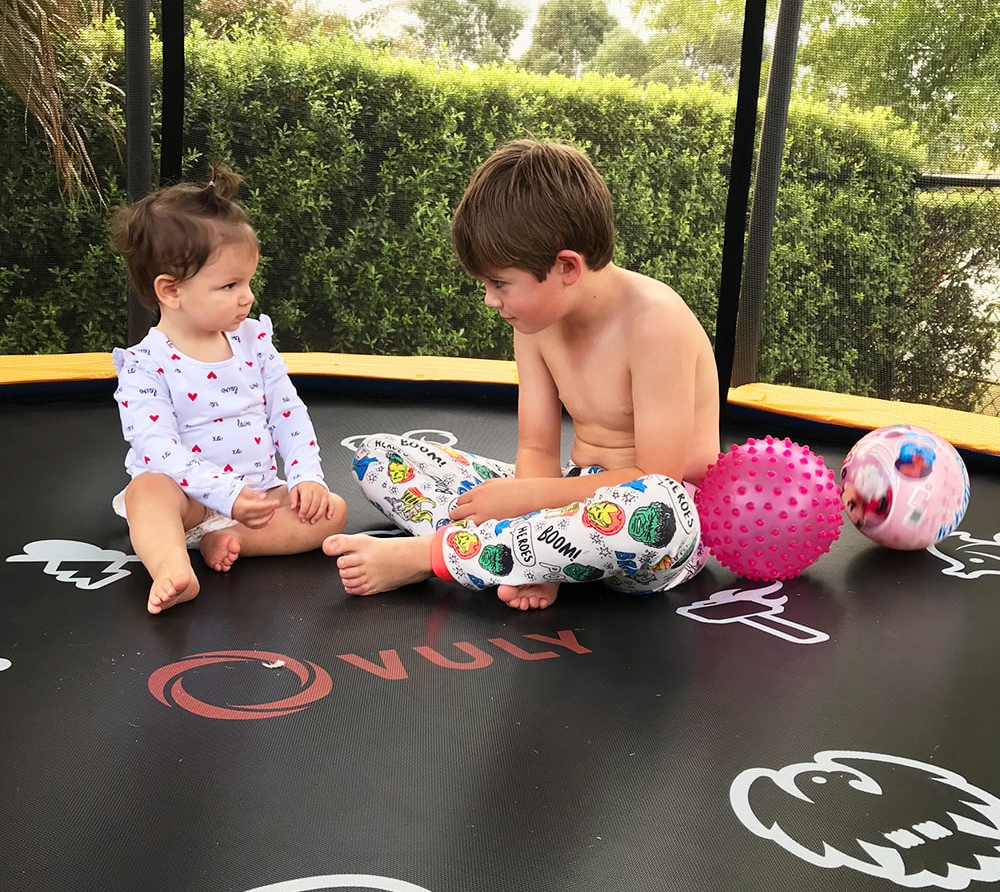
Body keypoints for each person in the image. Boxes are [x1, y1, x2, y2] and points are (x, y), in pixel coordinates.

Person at [323, 138, 720, 610]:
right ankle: (531, 557)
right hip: (563, 499)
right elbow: (535, 447)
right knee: (379, 457)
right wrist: (529, 502)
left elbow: (659, 474)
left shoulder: (655, 323)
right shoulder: (535, 324)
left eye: (500, 283)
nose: (491, 300)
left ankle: (435, 555)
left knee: (660, 506)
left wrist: (529, 499)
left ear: (566, 267)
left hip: (655, 531)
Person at [111, 165, 347, 614]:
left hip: (259, 499)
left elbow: (287, 412)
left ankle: (232, 540)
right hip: (188, 503)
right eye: (230, 285)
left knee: (331, 511)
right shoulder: (145, 365)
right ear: (171, 290)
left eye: (249, 282)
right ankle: (171, 566)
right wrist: (223, 495)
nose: (248, 297)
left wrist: (305, 477)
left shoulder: (254, 342)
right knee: (147, 492)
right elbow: (158, 449)